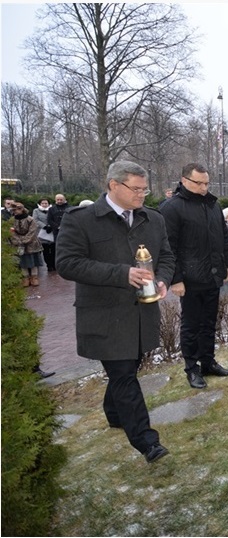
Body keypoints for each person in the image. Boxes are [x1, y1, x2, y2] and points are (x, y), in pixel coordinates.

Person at [56, 160, 175, 463]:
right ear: (113, 185)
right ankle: (147, 443)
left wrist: (162, 279)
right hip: (105, 316)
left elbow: (167, 257)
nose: (142, 195)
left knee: (127, 369)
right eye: (136, 189)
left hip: (141, 315)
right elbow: (67, 263)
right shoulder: (81, 219)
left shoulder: (153, 219)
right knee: (123, 374)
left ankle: (113, 412)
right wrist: (122, 274)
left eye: (144, 189)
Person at [159, 163, 228, 390]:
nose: (204, 188)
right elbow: (168, 247)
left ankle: (208, 362)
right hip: (189, 279)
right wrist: (175, 279)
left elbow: (223, 238)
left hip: (212, 275)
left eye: (206, 183)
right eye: (199, 183)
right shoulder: (171, 207)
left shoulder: (213, 205)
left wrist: (227, 265)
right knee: (191, 326)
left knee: (209, 323)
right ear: (184, 181)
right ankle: (192, 368)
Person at [9, 202, 45, 287]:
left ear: (22, 209)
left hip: (31, 243)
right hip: (18, 243)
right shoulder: (12, 220)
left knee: (33, 261)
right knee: (22, 261)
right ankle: (26, 277)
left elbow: (32, 231)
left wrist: (25, 240)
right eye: (13, 210)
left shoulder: (30, 219)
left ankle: (34, 277)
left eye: (16, 210)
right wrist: (18, 240)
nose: (15, 212)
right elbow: (11, 231)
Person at [46, 193, 70, 272]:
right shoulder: (51, 209)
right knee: (58, 248)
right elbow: (49, 220)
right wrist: (57, 226)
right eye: (58, 200)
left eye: (61, 199)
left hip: (68, 231)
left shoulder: (69, 208)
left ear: (64, 199)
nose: (59, 201)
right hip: (57, 232)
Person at [33, 197, 56, 272]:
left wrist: (51, 226)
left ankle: (54, 264)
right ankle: (49, 265)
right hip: (41, 233)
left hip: (52, 232)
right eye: (42, 203)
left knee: (53, 250)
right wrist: (45, 226)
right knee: (45, 251)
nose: (44, 204)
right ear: (40, 204)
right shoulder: (36, 211)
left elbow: (55, 219)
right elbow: (36, 220)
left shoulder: (52, 210)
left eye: (46, 203)